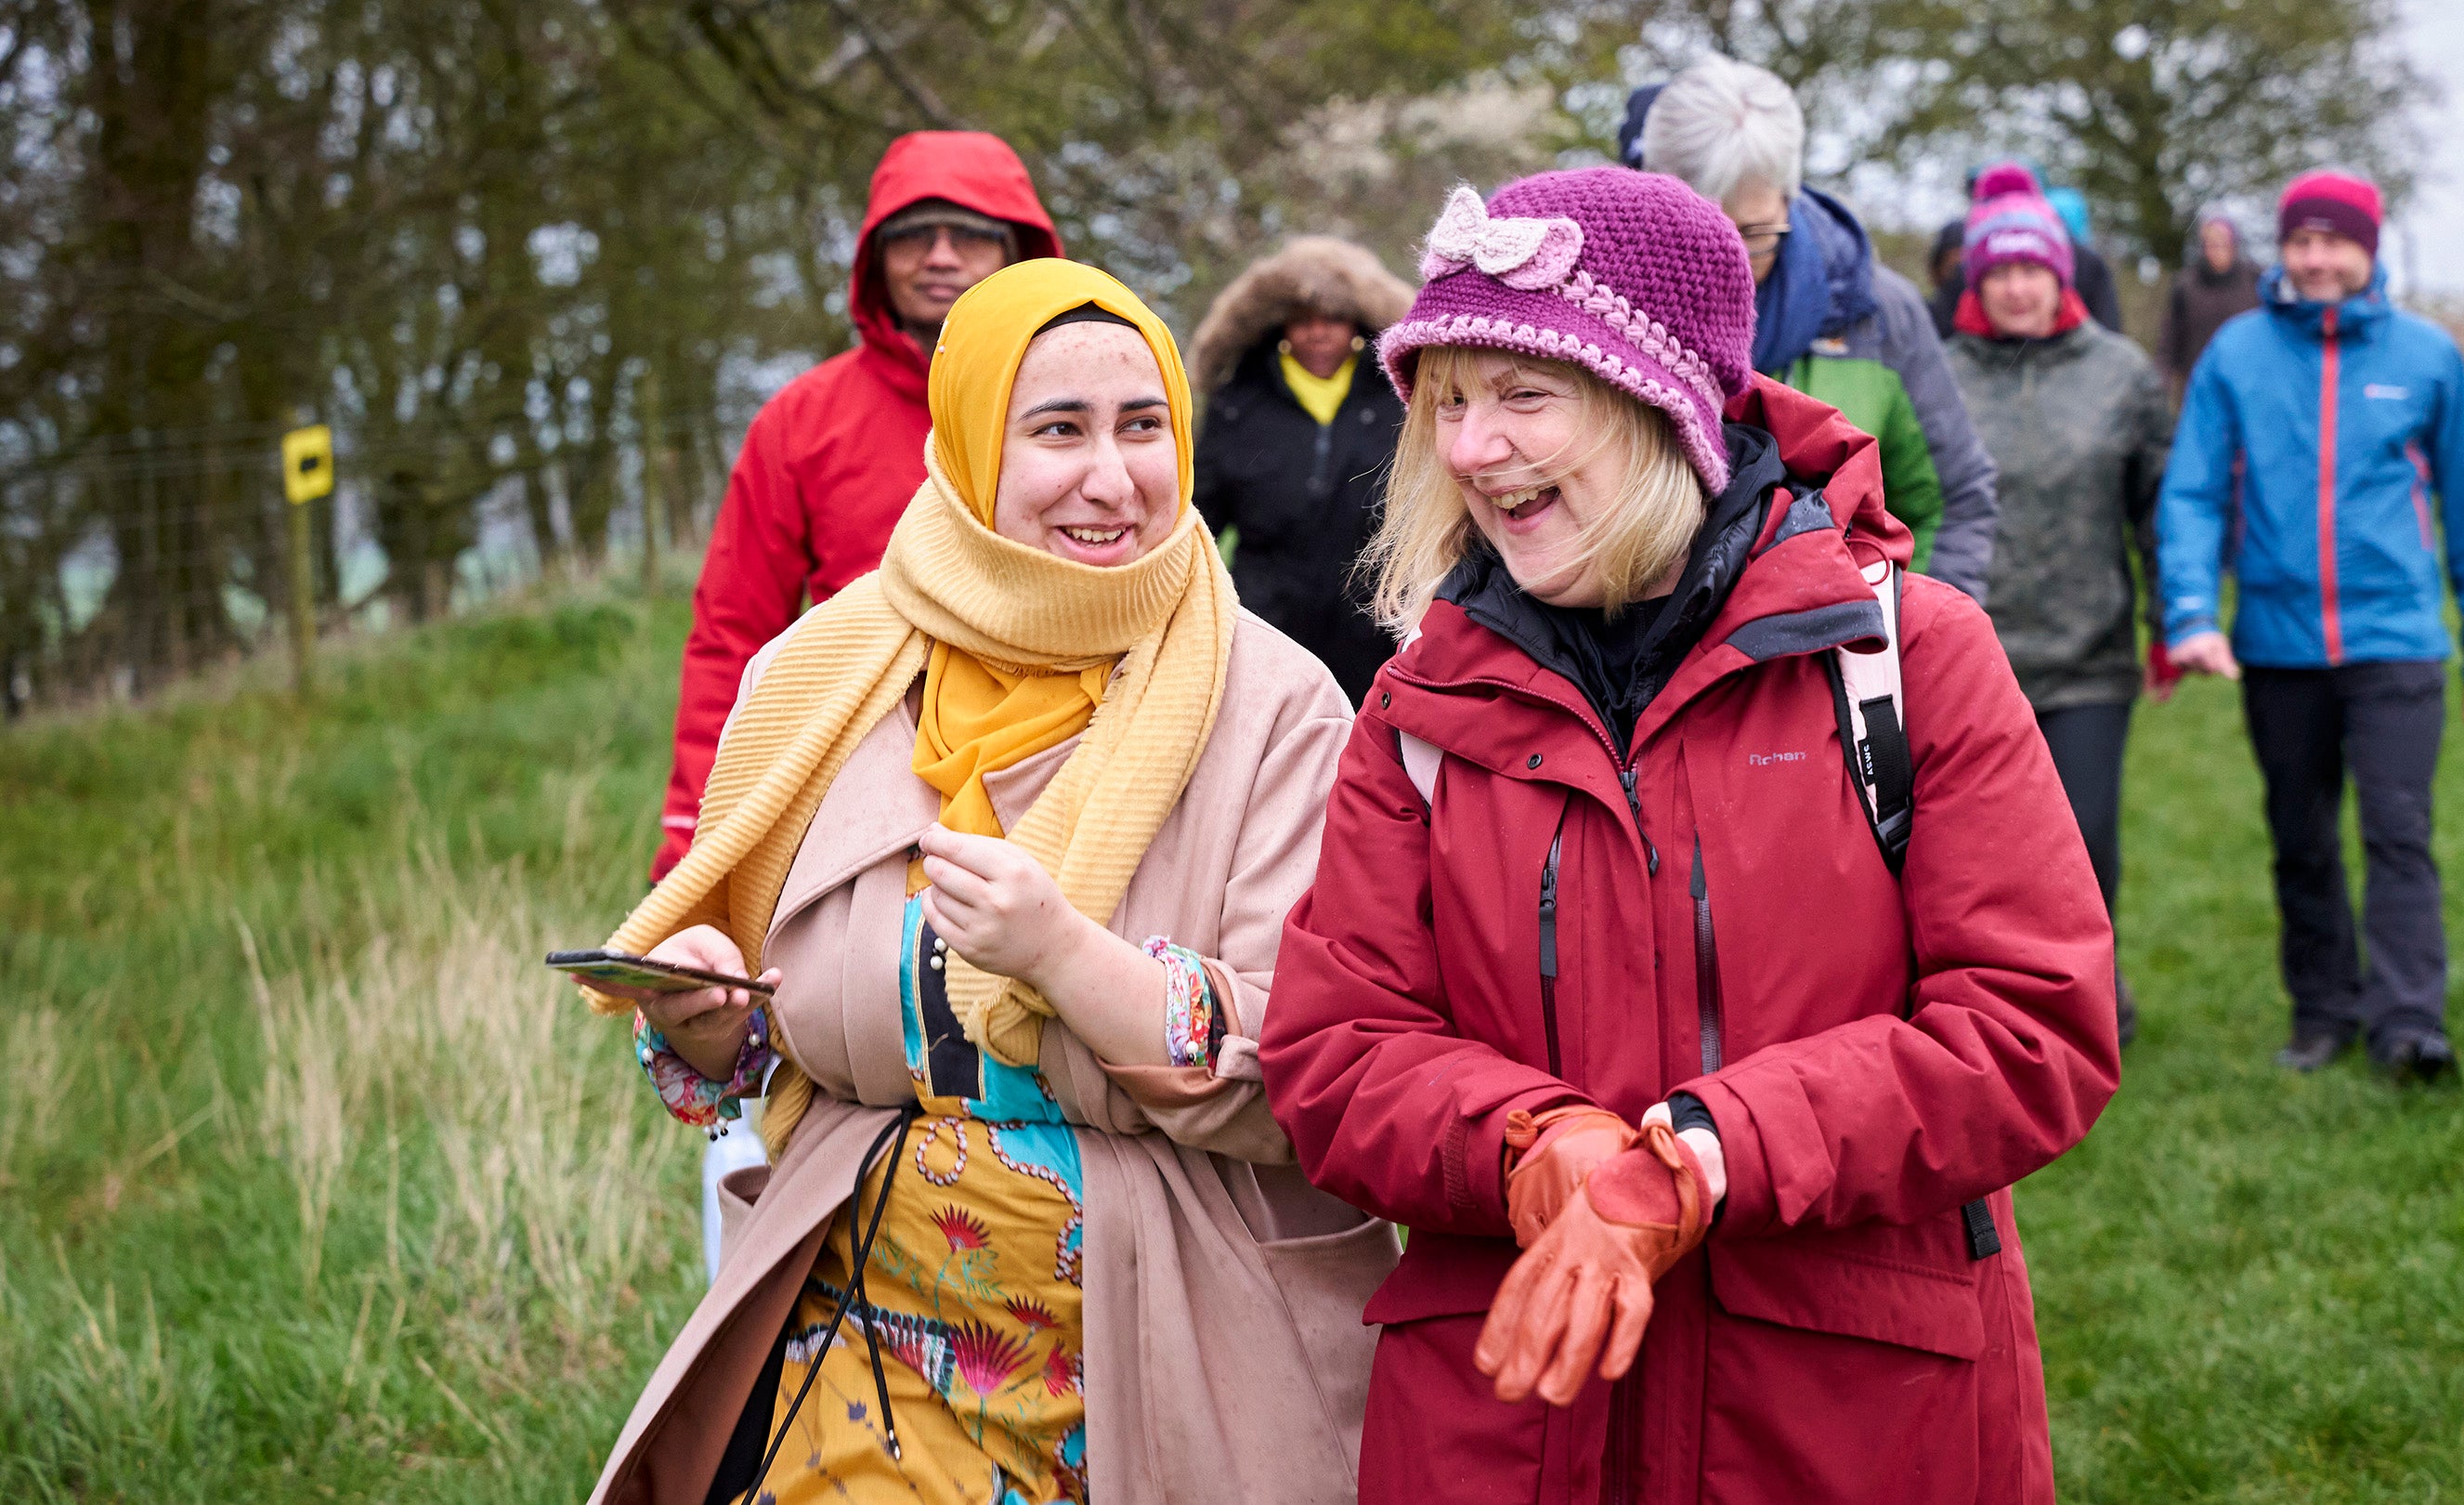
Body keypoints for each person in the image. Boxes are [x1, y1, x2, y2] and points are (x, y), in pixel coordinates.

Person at [1262, 166, 2120, 1504]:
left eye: (1522, 396)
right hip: (1513, 1426)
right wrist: (1535, 1149)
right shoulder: (1420, 704)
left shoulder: (1904, 658)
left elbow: (2031, 1023)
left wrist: (1707, 1159)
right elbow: (1335, 1047)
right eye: (1449, 403)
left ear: (1662, 403)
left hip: (1843, 1425)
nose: (1468, 450)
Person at [582, 260, 1395, 1505]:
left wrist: (1065, 956)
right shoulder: (821, 686)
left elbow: (1307, 1080)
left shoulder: (1279, 710)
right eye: (1057, 431)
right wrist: (707, 1025)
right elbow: (767, 1055)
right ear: (966, 449)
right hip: (868, 1340)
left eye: (1143, 428)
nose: (1111, 478)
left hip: (1176, 1341)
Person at [2158, 169, 2464, 1083]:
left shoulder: (2428, 357)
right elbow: (2192, 494)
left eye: (2336, 242)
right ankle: (2322, 1011)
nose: (2317, 260)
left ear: (2369, 249)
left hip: (2396, 641)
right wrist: (2193, 613)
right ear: (2282, 249)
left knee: (2399, 834)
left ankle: (2408, 1024)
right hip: (2278, 645)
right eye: (2302, 242)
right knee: (2301, 836)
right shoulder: (2236, 355)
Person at [651, 130, 1062, 883]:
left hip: (1060, 773)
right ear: (875, 257)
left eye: (969, 233)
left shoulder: (1083, 403)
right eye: (913, 236)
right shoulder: (801, 421)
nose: (940, 255)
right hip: (854, 790)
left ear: (1017, 249)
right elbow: (731, 634)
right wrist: (693, 835)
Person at [1625, 57, 2001, 602]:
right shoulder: (1596, 310)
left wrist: (1905, 639)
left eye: (1753, 232)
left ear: (1789, 195)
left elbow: (1952, 498)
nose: (1728, 259)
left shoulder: (1878, 313)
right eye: (1703, 230)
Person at [1943, 192, 2174, 1048]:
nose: (2016, 288)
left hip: (2089, 654)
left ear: (2061, 273)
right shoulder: (1939, 372)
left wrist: (2171, 615)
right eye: (1998, 270)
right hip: (1970, 653)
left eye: (2032, 269)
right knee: (1972, 852)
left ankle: (2090, 1004)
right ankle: (1980, 1006)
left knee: (2083, 838)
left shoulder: (2121, 373)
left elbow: (2160, 507)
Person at [1186, 236, 1414, 701]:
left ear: (1357, 322)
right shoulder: (1238, 402)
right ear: (1280, 325)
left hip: (1377, 622)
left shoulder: (1398, 397)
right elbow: (1199, 517)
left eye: (1332, 318)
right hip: (1266, 622)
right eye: (1303, 319)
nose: (1318, 332)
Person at [1929, 162, 2126, 338]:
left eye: (2031, 271)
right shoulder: (1946, 367)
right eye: (1998, 274)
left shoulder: (2119, 366)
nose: (2015, 289)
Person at [2157, 208, 2263, 403]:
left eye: (2224, 244)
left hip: (2248, 382)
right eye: (2212, 245)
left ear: (2234, 245)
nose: (2217, 251)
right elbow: (2169, 338)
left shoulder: (2255, 280)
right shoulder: (2186, 285)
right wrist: (2163, 379)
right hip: (2197, 383)